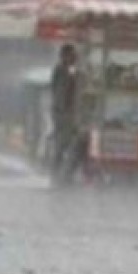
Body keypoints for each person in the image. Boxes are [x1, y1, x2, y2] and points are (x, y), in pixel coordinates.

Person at [50, 44, 82, 186]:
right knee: (62, 145)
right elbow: (62, 94)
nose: (75, 58)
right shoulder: (61, 71)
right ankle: (58, 176)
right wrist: (65, 113)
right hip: (63, 115)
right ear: (64, 56)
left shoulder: (68, 70)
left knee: (68, 145)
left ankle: (63, 175)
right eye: (72, 55)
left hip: (66, 114)